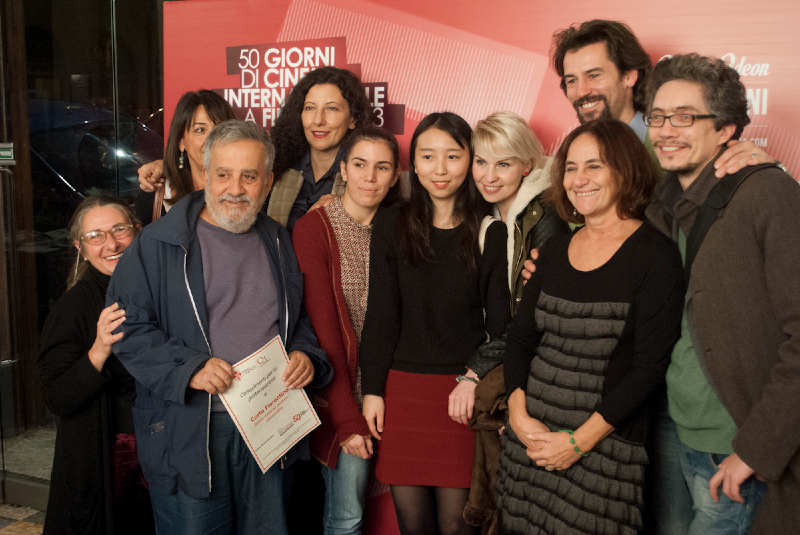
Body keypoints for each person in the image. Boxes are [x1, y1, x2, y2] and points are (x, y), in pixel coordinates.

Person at [107, 120, 332, 535]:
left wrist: (305, 353)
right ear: (206, 174)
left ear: (268, 182)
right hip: (190, 430)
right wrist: (190, 368)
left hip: (269, 424)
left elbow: (299, 315)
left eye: (249, 176)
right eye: (224, 174)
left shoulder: (278, 239)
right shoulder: (157, 243)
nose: (235, 189)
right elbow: (128, 329)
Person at [497, 119, 684, 535]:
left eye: (594, 166)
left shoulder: (656, 256)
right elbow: (521, 339)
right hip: (531, 442)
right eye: (570, 168)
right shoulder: (554, 249)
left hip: (601, 450)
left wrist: (576, 443)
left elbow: (648, 369)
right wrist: (518, 415)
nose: (578, 179)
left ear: (626, 170)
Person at [644, 53, 800, 535]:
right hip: (674, 428)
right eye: (657, 117)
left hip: (736, 446)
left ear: (726, 129)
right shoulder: (662, 206)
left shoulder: (768, 194)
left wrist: (756, 450)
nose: (666, 130)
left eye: (685, 117)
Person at [359, 112, 510, 535]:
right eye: (427, 156)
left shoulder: (490, 230)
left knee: (457, 525)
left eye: (453, 156)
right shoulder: (391, 223)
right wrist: (373, 391)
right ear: (414, 164)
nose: (440, 169)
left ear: (471, 159)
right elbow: (381, 315)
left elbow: (502, 327)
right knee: (414, 526)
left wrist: (472, 378)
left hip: (461, 397)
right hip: (403, 393)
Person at [461, 111, 569, 532]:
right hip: (511, 355)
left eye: (503, 164)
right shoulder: (490, 214)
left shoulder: (544, 216)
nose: (488, 176)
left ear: (527, 165)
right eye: (481, 162)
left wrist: (474, 371)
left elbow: (531, 318)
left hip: (539, 367)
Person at [292, 125, 402, 535]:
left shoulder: (401, 228)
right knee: (347, 518)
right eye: (359, 164)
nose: (369, 177)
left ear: (395, 176)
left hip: (394, 394)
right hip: (345, 397)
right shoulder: (315, 228)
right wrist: (345, 416)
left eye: (382, 167)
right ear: (343, 169)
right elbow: (324, 331)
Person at [39, 194, 154, 535]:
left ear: (138, 231)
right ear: (81, 247)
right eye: (95, 236)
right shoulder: (72, 308)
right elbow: (56, 397)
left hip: (160, 450)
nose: (111, 244)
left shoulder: (159, 288)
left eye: (120, 230)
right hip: (106, 459)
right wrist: (99, 350)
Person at [268, 66, 373, 231]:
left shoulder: (366, 175)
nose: (318, 120)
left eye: (332, 108)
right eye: (310, 108)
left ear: (352, 119)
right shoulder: (278, 166)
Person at [135, 90, 235, 224]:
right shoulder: (153, 200)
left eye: (220, 130)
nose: (211, 139)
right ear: (181, 141)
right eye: (200, 130)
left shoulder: (250, 191)